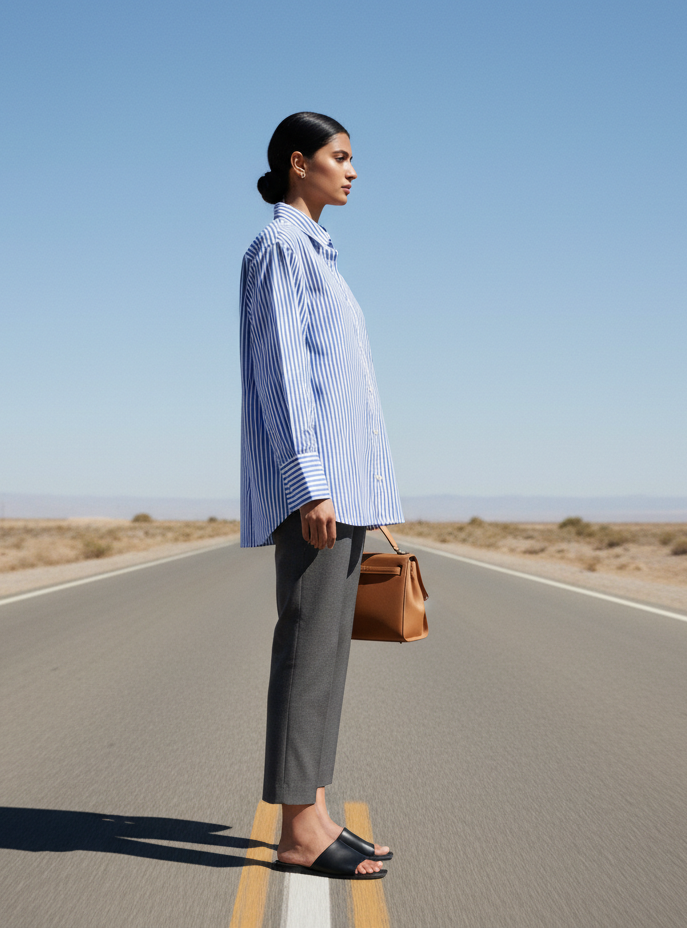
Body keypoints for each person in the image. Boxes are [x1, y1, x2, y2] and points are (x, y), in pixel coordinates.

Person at [238, 113, 404, 880]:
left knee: (329, 655)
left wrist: (371, 488)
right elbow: (282, 375)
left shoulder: (321, 257)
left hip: (346, 490)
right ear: (299, 164)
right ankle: (299, 831)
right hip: (318, 490)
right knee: (307, 651)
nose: (353, 170)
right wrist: (311, 485)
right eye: (341, 157)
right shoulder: (279, 248)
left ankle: (318, 813)